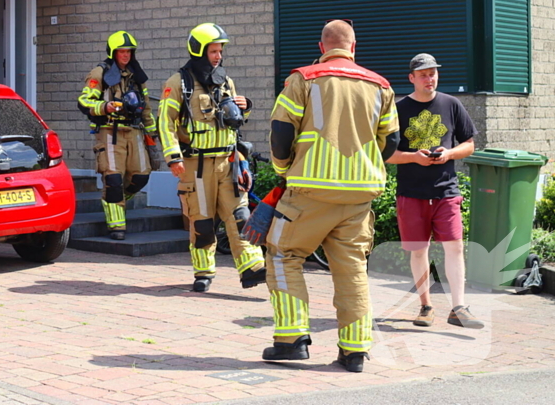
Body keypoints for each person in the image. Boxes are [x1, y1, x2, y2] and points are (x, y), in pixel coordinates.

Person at [264, 20, 398, 373]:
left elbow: (280, 133)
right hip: (359, 197)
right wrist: (364, 169)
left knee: (283, 254)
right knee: (352, 268)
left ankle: (291, 341)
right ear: (353, 48)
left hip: (310, 190)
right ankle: (355, 351)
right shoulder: (381, 86)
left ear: (323, 48)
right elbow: (393, 141)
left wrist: (283, 169)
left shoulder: (303, 79)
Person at [158, 23, 265, 292]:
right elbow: (165, 122)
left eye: (220, 51)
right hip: (197, 165)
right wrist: (173, 157)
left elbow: (234, 121)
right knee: (202, 221)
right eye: (213, 51)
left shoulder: (226, 81)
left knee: (240, 215)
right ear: (198, 50)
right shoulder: (178, 82)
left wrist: (245, 108)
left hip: (228, 162)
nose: (219, 56)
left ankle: (252, 268)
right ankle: (203, 272)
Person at [386, 53, 483, 329]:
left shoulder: (451, 104)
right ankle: (425, 306)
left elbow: (470, 145)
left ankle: (458, 307)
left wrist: (449, 153)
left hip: (446, 192)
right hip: (411, 193)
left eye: (433, 73)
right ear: (412, 78)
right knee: (419, 251)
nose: (430, 78)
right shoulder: (399, 109)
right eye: (424, 74)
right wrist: (413, 157)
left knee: (455, 247)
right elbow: (387, 154)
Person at [77, 32, 160, 239]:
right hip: (109, 131)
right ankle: (117, 225)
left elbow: (146, 107)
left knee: (141, 176)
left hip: (135, 131)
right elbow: (84, 102)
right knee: (113, 179)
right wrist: (106, 106)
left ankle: (115, 201)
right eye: (122, 51)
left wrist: (152, 132)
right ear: (113, 52)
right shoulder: (99, 73)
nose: (125, 55)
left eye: (129, 51)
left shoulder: (136, 76)